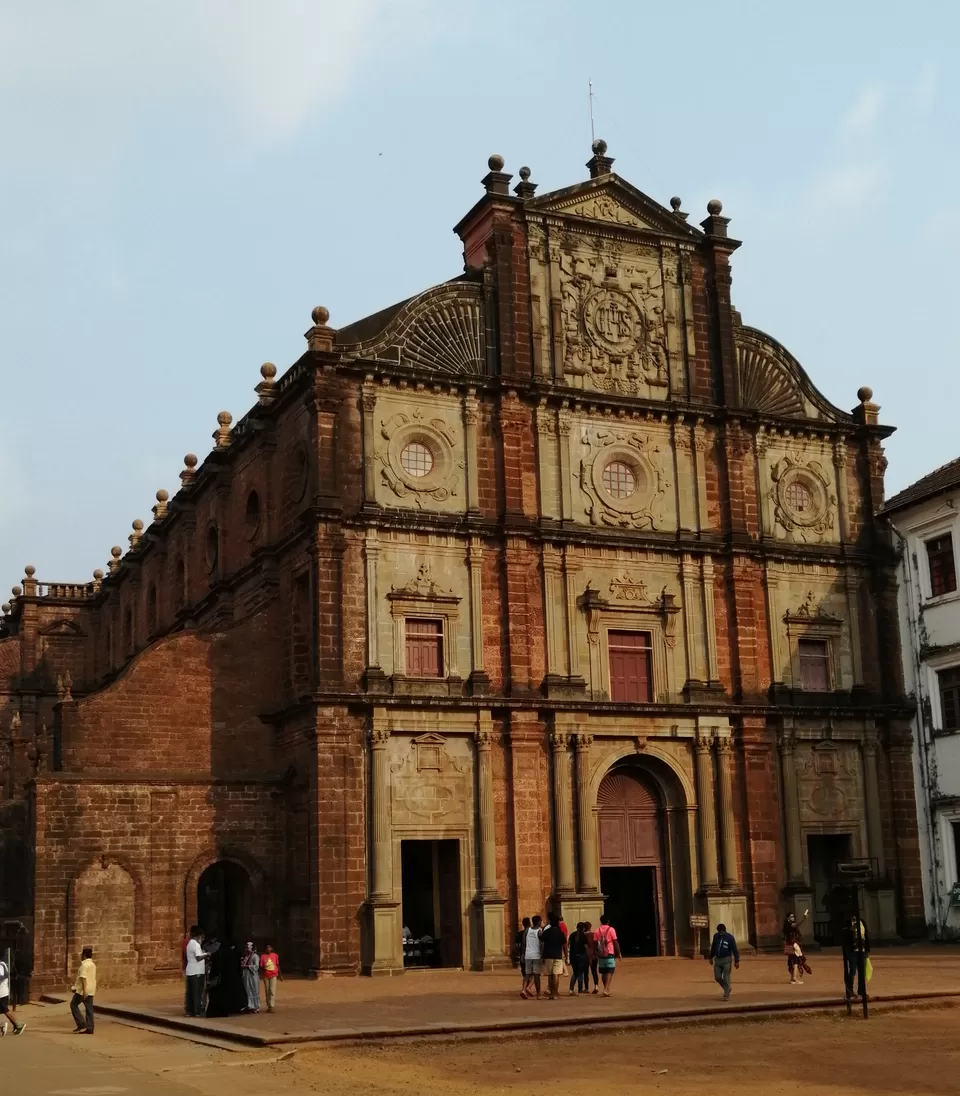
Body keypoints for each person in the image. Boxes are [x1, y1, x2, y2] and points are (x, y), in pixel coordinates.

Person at [707, 923, 740, 1001]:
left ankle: (726, 994)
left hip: (726, 959)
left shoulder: (730, 938)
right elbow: (713, 948)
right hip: (718, 959)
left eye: (722, 932)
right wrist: (710, 957)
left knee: (726, 977)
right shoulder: (716, 936)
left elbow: (734, 949)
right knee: (717, 977)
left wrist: (737, 960)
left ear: (724, 930)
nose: (721, 933)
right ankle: (727, 987)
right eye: (719, 932)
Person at [841, 915, 871, 1001]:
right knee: (852, 971)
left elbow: (865, 936)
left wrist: (867, 951)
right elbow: (843, 934)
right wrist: (850, 930)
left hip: (862, 951)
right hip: (852, 951)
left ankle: (861, 991)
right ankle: (849, 991)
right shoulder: (847, 923)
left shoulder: (862, 922)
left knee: (862, 971)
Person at [540, 914, 568, 1000]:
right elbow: (564, 946)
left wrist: (542, 955)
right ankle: (555, 993)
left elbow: (542, 945)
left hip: (548, 955)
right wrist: (566, 956)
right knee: (556, 974)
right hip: (558, 956)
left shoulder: (546, 932)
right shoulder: (560, 933)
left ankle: (551, 993)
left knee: (550, 975)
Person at [70, 946, 96, 1035]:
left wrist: (83, 990)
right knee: (89, 1009)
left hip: (82, 990)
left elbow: (83, 979)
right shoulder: (93, 965)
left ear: (84, 955)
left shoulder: (84, 965)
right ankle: (90, 1027)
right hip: (91, 989)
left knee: (73, 1004)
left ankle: (81, 1023)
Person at [595, 915, 621, 997]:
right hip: (610, 952)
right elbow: (615, 942)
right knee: (610, 971)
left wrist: (596, 952)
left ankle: (606, 988)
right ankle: (606, 989)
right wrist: (619, 952)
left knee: (603, 972)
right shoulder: (611, 929)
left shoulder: (597, 930)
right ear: (608, 921)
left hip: (601, 953)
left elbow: (595, 943)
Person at [184, 926, 207, 1018]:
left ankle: (189, 1011)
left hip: (190, 971)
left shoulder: (190, 943)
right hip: (196, 971)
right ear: (198, 936)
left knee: (190, 993)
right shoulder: (196, 945)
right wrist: (207, 954)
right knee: (197, 992)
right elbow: (198, 957)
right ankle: (197, 1011)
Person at [783, 910, 810, 984]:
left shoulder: (788, 924)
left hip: (792, 944)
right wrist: (803, 919)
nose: (793, 918)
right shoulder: (789, 925)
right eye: (791, 917)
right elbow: (797, 925)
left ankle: (793, 978)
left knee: (793, 962)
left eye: (793, 916)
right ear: (788, 918)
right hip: (793, 944)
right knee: (795, 961)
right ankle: (794, 978)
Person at [0, 955, 25, 1035]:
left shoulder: (0, 965)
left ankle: (18, 1024)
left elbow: (1, 977)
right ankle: (6, 1025)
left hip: (1, 993)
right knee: (5, 1010)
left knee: (5, 1010)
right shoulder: (2, 964)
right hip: (3, 992)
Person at [521, 915, 544, 999]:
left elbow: (524, 943)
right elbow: (542, 944)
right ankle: (538, 993)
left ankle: (523, 990)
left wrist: (523, 954)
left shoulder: (527, 930)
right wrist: (542, 956)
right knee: (536, 975)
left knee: (527, 974)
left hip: (528, 955)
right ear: (538, 922)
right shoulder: (540, 931)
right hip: (536, 955)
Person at [567, 922, 589, 995]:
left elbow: (568, 944)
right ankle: (580, 989)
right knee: (580, 973)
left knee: (575, 973)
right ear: (583, 928)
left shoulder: (572, 935)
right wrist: (588, 956)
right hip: (581, 956)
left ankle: (571, 989)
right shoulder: (584, 936)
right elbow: (586, 947)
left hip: (573, 956)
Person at [259, 943, 281, 1012]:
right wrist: (262, 973)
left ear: (271, 948)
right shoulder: (263, 956)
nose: (268, 949)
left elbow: (277, 965)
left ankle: (271, 1006)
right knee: (267, 990)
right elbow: (261, 966)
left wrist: (280, 975)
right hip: (266, 975)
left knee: (272, 990)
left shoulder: (275, 956)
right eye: (267, 948)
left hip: (274, 974)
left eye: (269, 947)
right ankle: (268, 1005)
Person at [241, 942, 261, 1013]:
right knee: (247, 990)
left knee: (254, 990)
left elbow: (256, 966)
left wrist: (247, 966)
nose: (246, 949)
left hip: (252, 976)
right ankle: (250, 1005)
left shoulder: (255, 956)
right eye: (246, 947)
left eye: (248, 947)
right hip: (246, 975)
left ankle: (256, 1006)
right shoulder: (246, 956)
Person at [514, 918, 531, 991]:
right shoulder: (531, 932)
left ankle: (524, 989)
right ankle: (528, 987)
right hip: (530, 954)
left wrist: (518, 955)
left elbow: (517, 945)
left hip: (522, 955)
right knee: (533, 973)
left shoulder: (519, 934)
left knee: (525, 973)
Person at [583, 920, 599, 994]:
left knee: (586, 973)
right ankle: (596, 986)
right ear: (590, 927)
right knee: (594, 972)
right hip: (593, 956)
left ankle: (586, 988)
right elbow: (597, 945)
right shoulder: (593, 935)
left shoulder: (582, 936)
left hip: (585, 956)